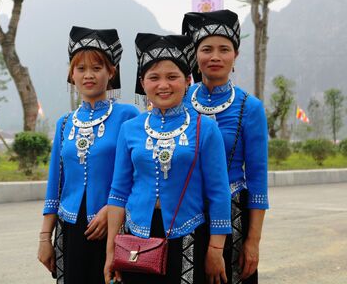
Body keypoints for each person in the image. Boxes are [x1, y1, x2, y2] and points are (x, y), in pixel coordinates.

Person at [105, 34, 231, 284]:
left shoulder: (205, 129)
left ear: (187, 81)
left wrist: (216, 250)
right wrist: (110, 251)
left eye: (172, 77)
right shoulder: (130, 129)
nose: (163, 85)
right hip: (137, 235)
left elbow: (219, 192)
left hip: (189, 235)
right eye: (154, 77)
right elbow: (118, 192)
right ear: (143, 83)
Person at [39, 26, 139, 283]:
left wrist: (113, 209)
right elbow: (55, 185)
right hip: (69, 229)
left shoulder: (129, 116)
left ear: (111, 72)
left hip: (115, 227)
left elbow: (140, 176)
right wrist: (44, 238)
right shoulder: (64, 123)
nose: (88, 75)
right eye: (81, 69)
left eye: (97, 68)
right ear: (71, 75)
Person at [182, 10, 269, 284]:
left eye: (224, 49)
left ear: (236, 55)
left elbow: (257, 180)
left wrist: (253, 241)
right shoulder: (179, 101)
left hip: (234, 218)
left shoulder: (249, 107)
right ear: (196, 55)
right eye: (206, 49)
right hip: (186, 213)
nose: (215, 56)